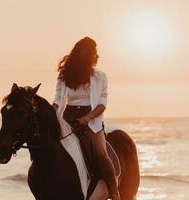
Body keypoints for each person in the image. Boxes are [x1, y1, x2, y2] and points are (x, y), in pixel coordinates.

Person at [52, 37, 120, 200]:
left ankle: (114, 193)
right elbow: (56, 101)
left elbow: (102, 104)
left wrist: (87, 118)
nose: (97, 56)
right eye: (95, 53)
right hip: (68, 118)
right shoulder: (64, 76)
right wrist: (50, 116)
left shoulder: (100, 76)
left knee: (101, 154)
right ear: (87, 55)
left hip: (91, 120)